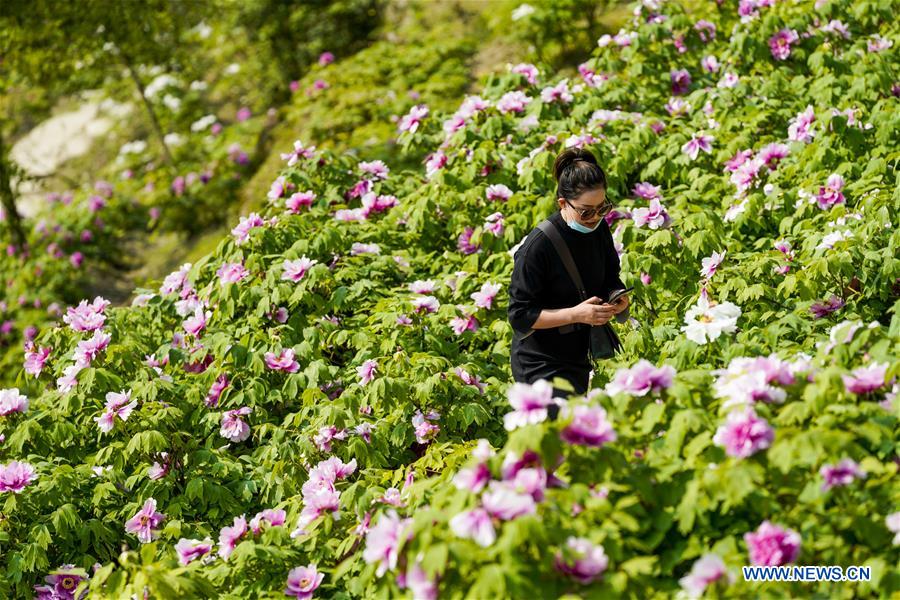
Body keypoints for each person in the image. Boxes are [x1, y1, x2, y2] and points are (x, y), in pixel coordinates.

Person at [507, 147, 630, 409]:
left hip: (576, 355)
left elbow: (610, 275)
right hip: (538, 361)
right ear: (563, 203)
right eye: (586, 211)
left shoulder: (598, 228)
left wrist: (616, 297)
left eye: (602, 208)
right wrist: (576, 315)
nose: (595, 217)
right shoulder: (538, 246)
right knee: (558, 435)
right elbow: (519, 315)